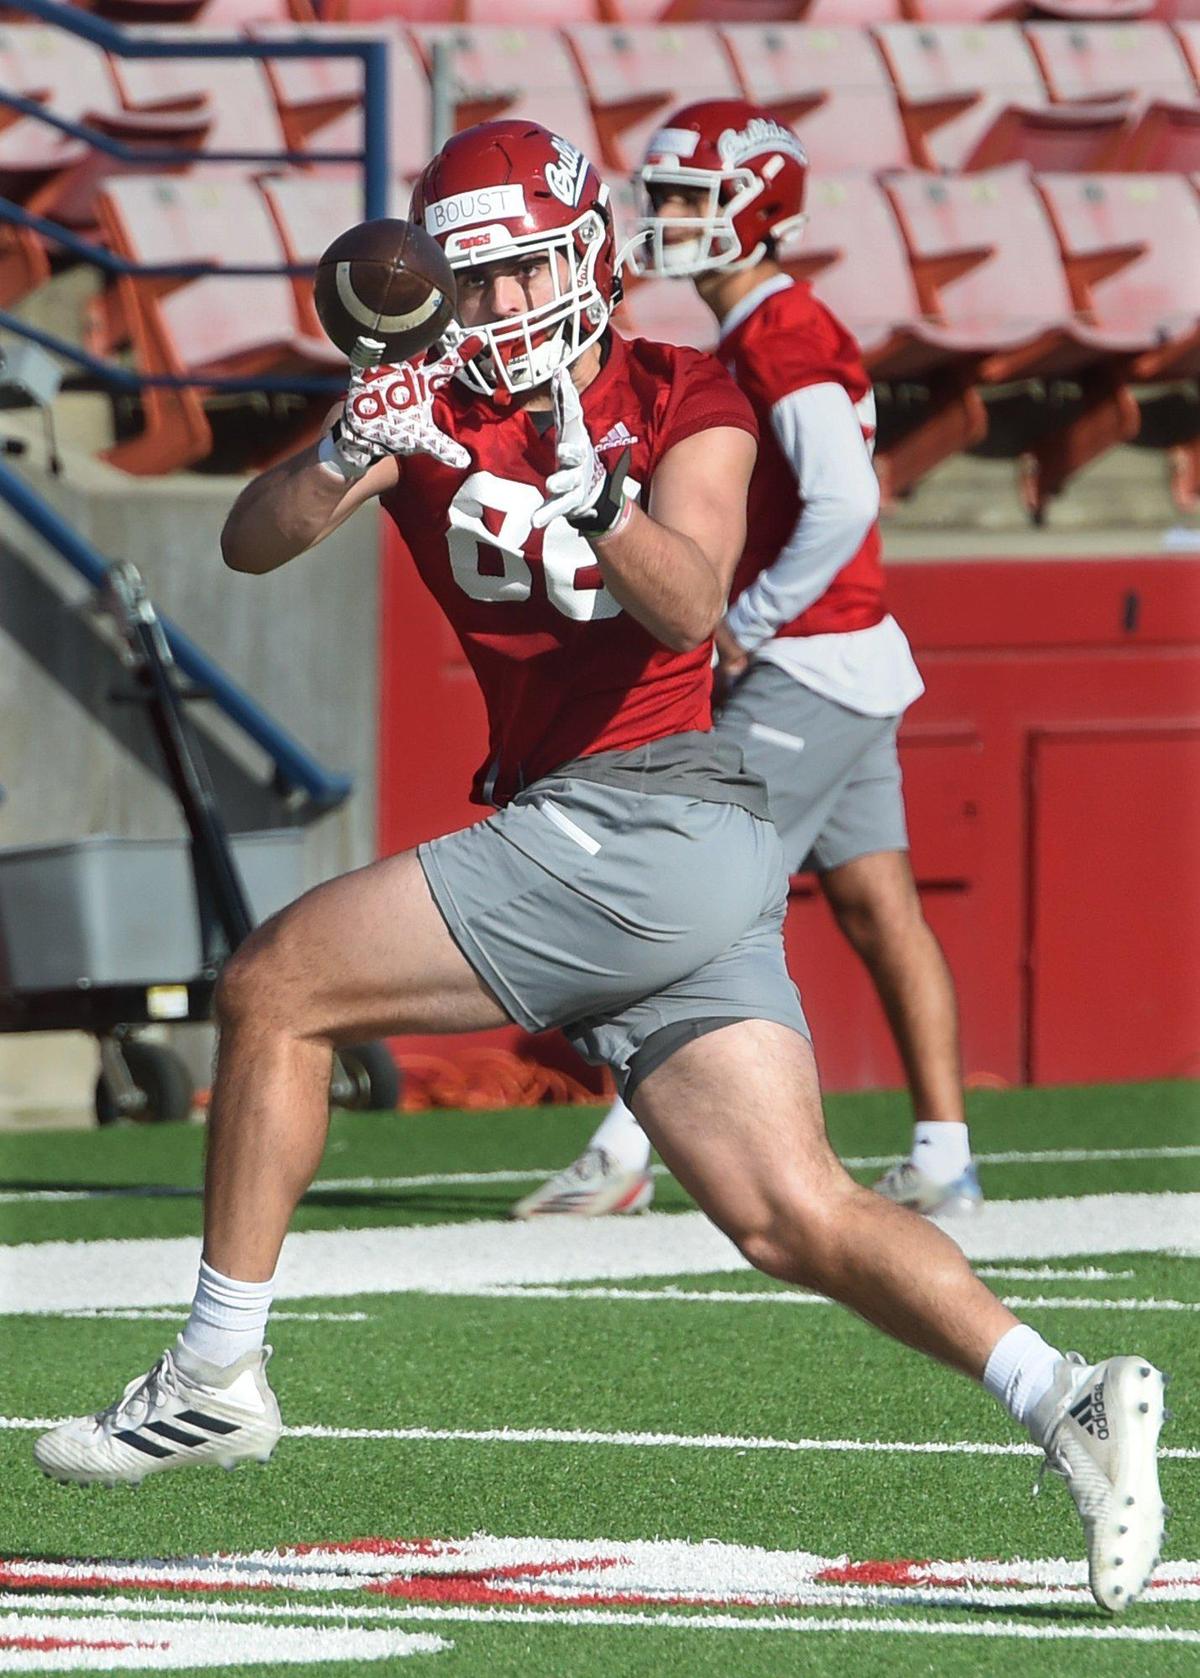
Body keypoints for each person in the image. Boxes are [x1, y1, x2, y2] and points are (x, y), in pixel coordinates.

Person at [34, 120, 1166, 1615]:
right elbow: (254, 540)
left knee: (275, 981)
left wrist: (595, 495)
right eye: (478, 284)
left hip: (644, 811)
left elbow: (690, 603)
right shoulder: (429, 395)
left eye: (525, 276)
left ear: (592, 260)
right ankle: (1063, 1394)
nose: (503, 310)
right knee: (789, 1214)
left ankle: (217, 1365)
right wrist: (347, 448)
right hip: (655, 849)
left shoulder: (683, 392)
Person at [516, 100, 977, 1225]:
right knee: (878, 908)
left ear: (756, 208)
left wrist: (745, 621)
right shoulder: (768, 329)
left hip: (810, 665)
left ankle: (626, 1146)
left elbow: (846, 498)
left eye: (686, 198)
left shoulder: (777, 331)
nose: (665, 216)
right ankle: (945, 1150)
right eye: (662, 195)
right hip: (852, 660)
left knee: (688, 893)